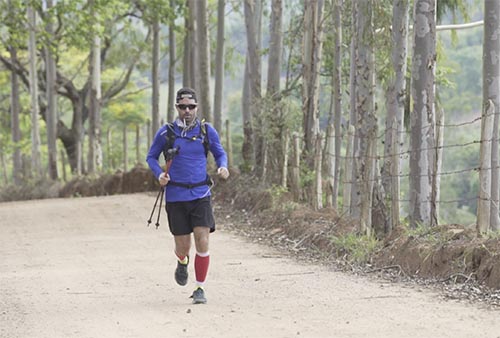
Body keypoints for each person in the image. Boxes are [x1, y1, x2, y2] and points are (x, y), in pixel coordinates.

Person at [146, 87, 229, 304]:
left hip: (200, 193)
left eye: (191, 107)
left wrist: (223, 166)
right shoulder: (167, 133)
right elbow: (151, 157)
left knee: (202, 240)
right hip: (175, 196)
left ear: (197, 107)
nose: (187, 110)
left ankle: (200, 287)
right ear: (177, 108)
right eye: (183, 107)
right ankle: (182, 262)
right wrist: (160, 174)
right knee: (183, 246)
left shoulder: (206, 131)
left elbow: (220, 152)